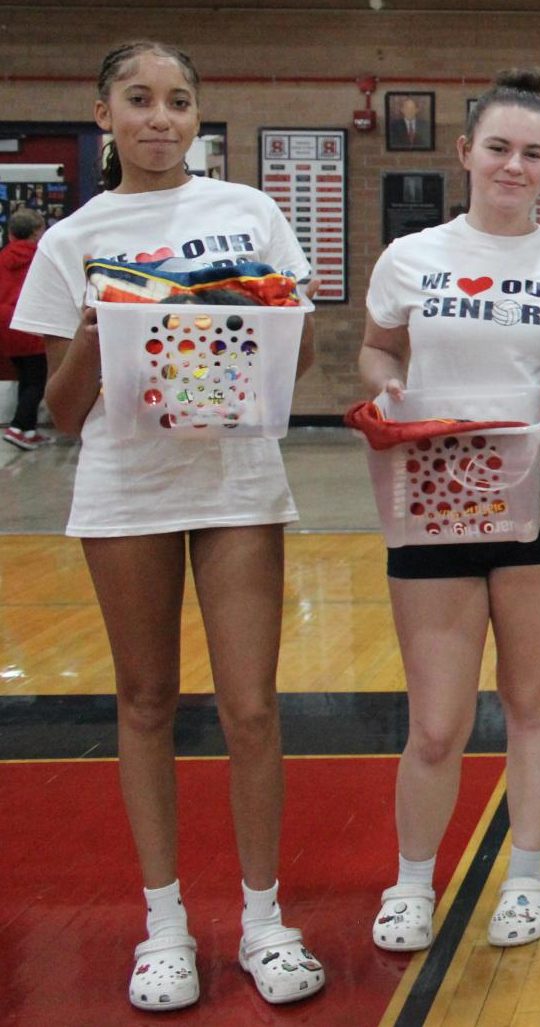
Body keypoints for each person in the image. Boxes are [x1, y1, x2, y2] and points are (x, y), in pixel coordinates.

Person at [9, 40, 324, 1010]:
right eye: (138, 99)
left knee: (252, 707)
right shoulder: (76, 237)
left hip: (234, 476)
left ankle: (265, 920)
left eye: (178, 100)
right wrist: (108, 330)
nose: (159, 116)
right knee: (144, 701)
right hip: (127, 484)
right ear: (102, 113)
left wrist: (249, 319)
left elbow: (297, 356)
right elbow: (61, 414)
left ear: (197, 116)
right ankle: (165, 926)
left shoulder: (251, 213)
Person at [359, 69, 540, 954]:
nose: (514, 165)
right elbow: (378, 353)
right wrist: (390, 395)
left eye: (533, 153)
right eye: (498, 147)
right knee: (436, 722)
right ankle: (412, 881)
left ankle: (527, 876)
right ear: (466, 154)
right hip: (435, 509)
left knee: (533, 703)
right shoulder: (411, 257)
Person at [1, 208, 47, 449]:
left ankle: (29, 430)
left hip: (5, 325)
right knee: (37, 380)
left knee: (25, 378)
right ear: (38, 232)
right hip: (31, 324)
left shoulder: (3, 257)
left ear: (10, 234)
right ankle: (18, 426)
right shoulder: (41, 257)